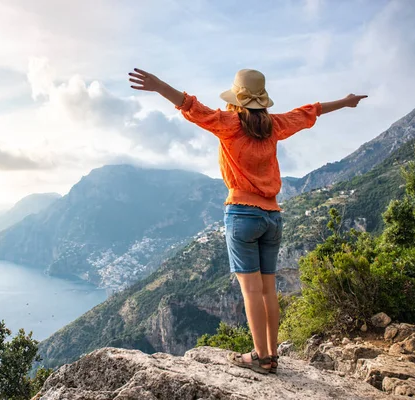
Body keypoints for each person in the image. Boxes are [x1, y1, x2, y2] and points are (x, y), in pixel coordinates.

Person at [128, 67, 367, 374]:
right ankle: (271, 356)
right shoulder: (275, 124)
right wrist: (345, 102)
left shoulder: (228, 124)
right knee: (268, 290)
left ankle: (259, 356)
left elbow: (190, 105)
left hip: (242, 214)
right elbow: (310, 111)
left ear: (236, 99)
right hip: (272, 217)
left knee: (251, 291)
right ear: (262, 100)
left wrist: (160, 85)